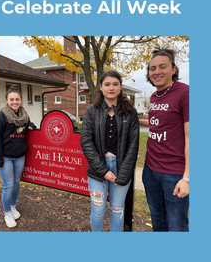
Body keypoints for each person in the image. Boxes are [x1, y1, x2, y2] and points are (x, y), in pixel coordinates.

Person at [80, 70, 139, 232]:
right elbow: (86, 142)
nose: (111, 88)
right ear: (101, 87)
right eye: (107, 84)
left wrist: (124, 173)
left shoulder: (130, 113)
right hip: (97, 169)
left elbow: (133, 145)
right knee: (98, 210)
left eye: (115, 84)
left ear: (120, 87)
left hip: (122, 168)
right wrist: (103, 171)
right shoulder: (92, 111)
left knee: (117, 210)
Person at [140, 47, 189, 232]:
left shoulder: (185, 93)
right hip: (150, 170)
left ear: (173, 69)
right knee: (158, 220)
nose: (157, 72)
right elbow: (158, 122)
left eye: (162, 67)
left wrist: (187, 177)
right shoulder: (154, 96)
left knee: (177, 225)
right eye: (152, 68)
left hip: (174, 174)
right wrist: (132, 119)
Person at [0, 84, 36, 228]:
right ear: (6, 100)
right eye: (11, 99)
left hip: (20, 156)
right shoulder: (1, 117)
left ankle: (12, 206)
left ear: (20, 100)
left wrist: (31, 125)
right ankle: (7, 213)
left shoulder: (24, 115)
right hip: (5, 157)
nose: (14, 102)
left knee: (16, 183)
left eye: (17, 99)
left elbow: (27, 124)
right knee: (8, 186)